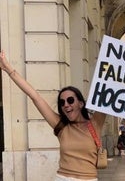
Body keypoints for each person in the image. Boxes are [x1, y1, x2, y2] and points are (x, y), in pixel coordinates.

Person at [0, 51, 106, 181]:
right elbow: (35, 96)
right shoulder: (61, 125)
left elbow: (109, 94)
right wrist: (9, 69)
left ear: (81, 103)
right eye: (62, 103)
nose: (66, 105)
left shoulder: (95, 123)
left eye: (70, 100)